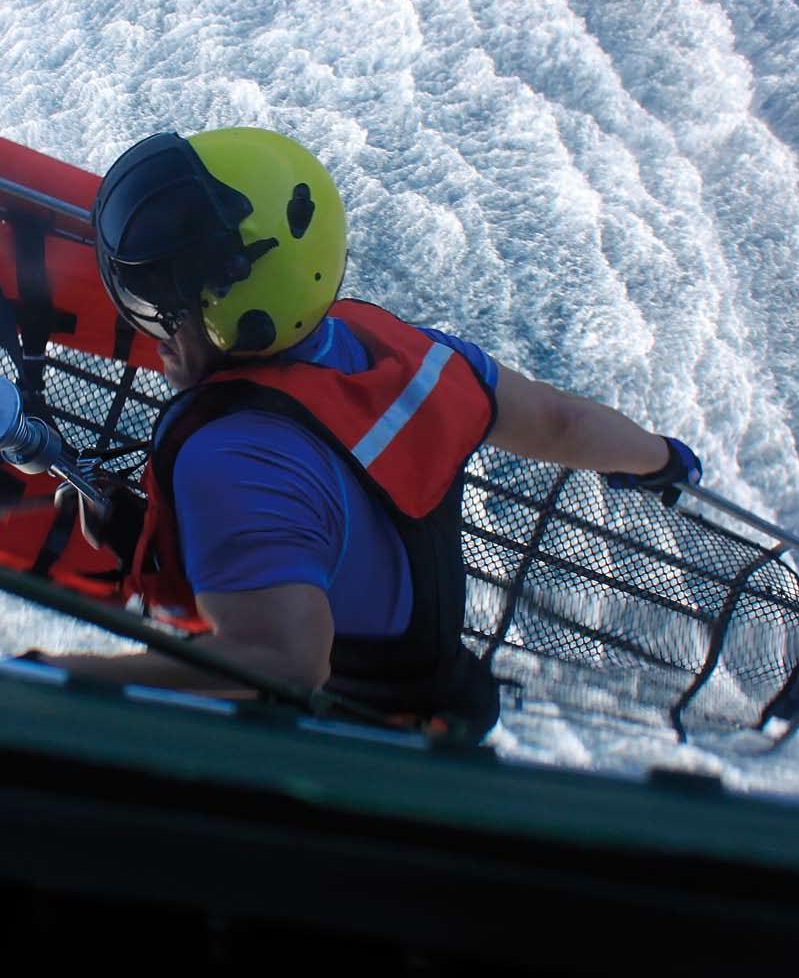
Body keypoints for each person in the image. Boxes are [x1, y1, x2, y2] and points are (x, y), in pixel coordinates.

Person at [43, 127, 701, 739]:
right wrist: (657, 458)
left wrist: (52, 678)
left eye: (168, 307)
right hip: (448, 681)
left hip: (370, 730)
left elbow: (281, 662)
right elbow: (564, 423)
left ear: (245, 321)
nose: (153, 327)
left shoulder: (228, 457)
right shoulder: (415, 356)